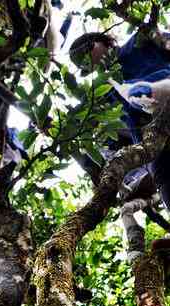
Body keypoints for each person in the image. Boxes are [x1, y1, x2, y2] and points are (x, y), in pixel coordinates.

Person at [69, 27, 170, 248]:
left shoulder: (138, 42)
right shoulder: (104, 92)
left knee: (140, 94)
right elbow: (78, 122)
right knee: (165, 176)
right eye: (82, 64)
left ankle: (153, 92)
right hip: (151, 140)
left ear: (102, 41)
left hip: (164, 92)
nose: (87, 61)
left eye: (87, 51)